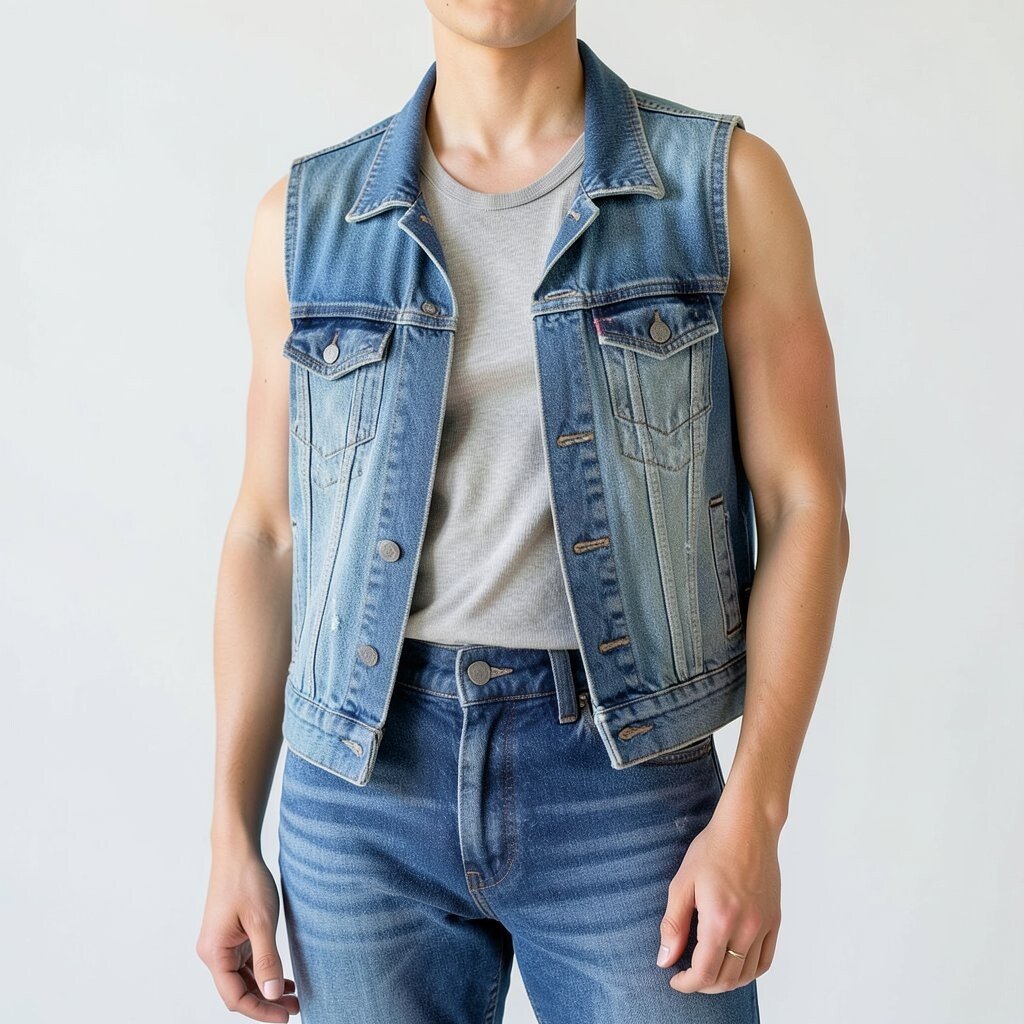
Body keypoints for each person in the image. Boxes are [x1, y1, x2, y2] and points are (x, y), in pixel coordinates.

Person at [195, 5, 850, 1023]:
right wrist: (231, 832)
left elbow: (804, 503)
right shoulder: (310, 218)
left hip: (624, 781)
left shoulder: (718, 187)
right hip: (361, 793)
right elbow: (267, 532)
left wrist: (756, 812)